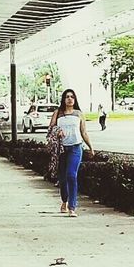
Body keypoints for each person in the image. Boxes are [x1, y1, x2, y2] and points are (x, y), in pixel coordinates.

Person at [48, 89, 93, 217]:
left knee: (71, 175)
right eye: (67, 97)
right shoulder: (58, 113)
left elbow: (84, 132)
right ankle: (64, 201)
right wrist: (57, 131)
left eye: (72, 97)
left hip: (75, 147)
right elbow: (51, 128)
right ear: (63, 99)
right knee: (62, 179)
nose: (69, 99)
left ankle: (72, 207)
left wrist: (91, 147)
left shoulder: (79, 114)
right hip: (61, 149)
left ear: (75, 99)